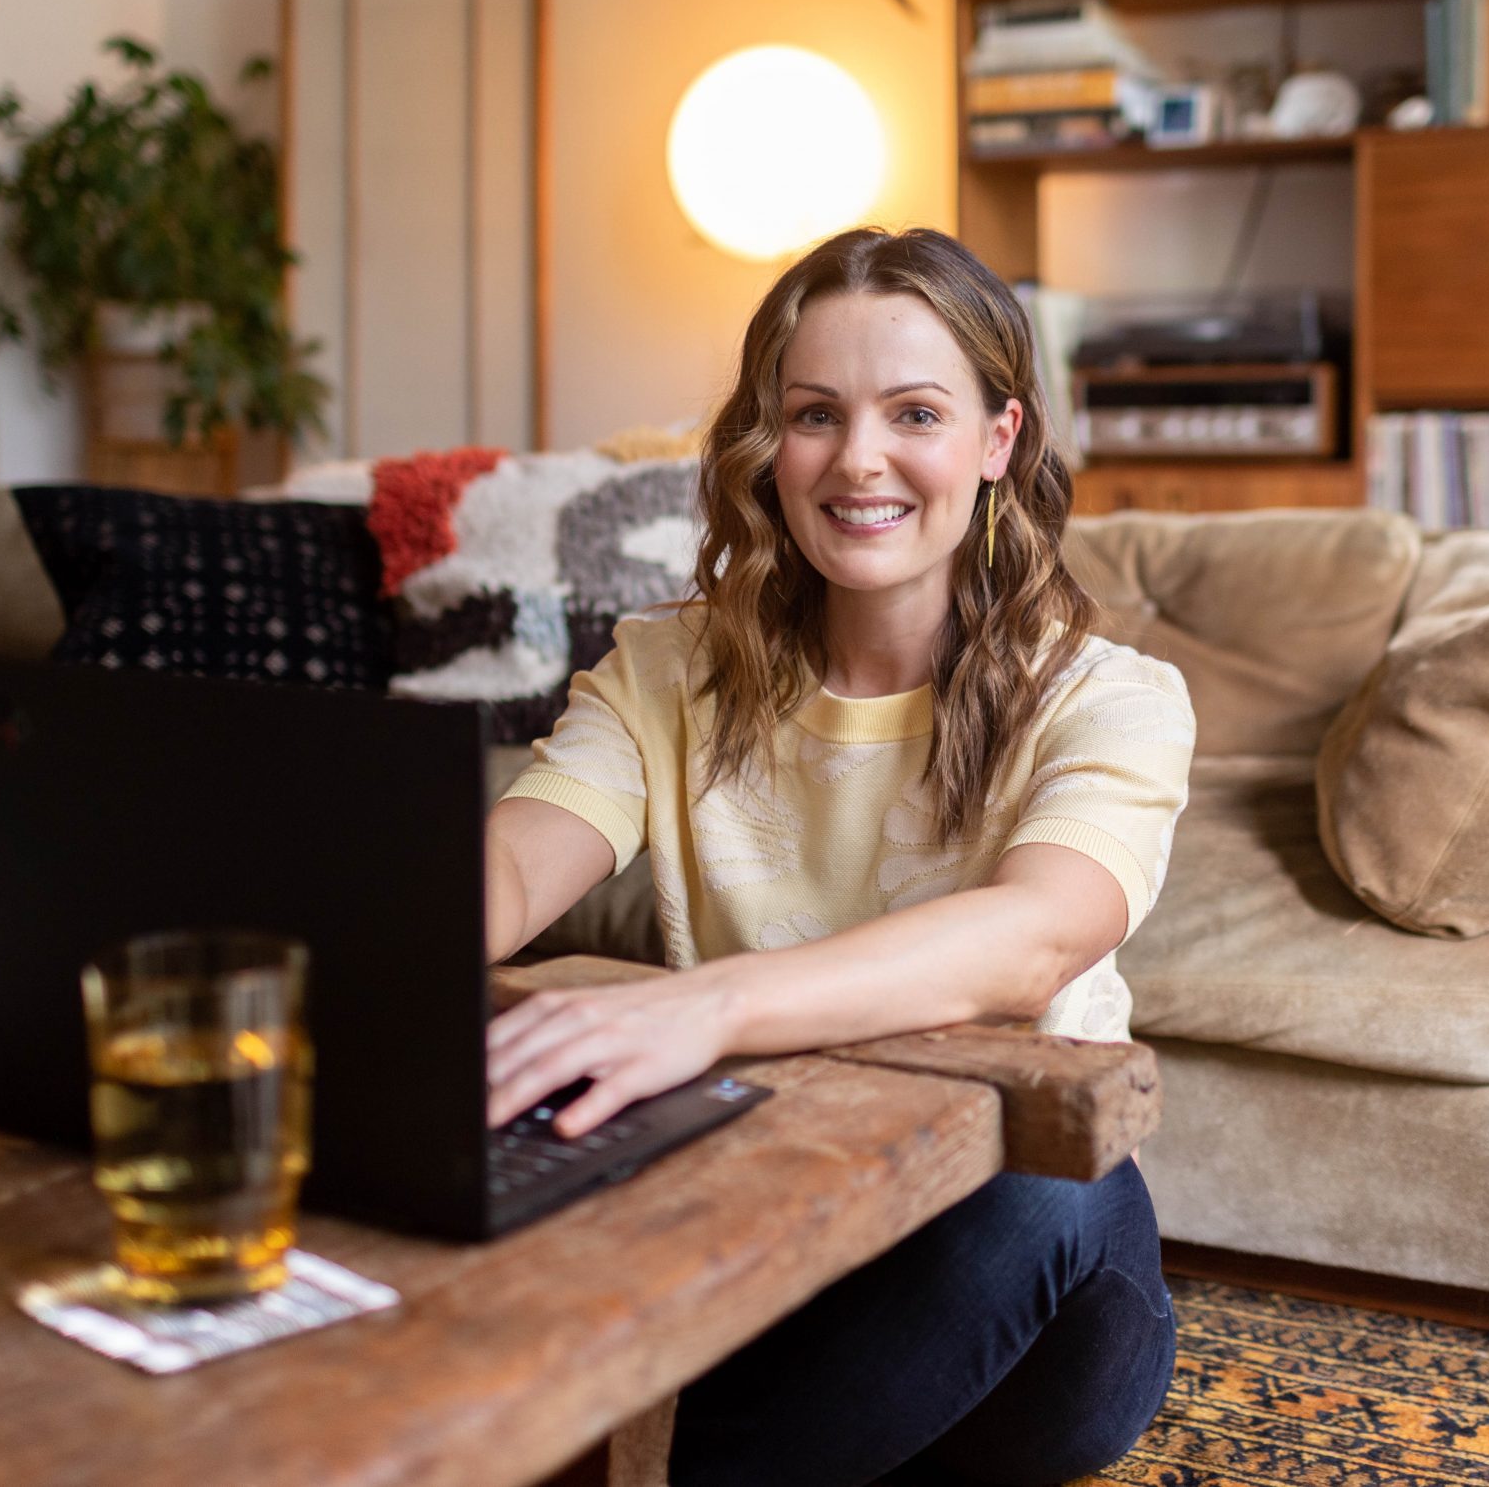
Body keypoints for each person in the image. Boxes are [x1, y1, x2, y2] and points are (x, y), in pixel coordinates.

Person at [480, 226, 1196, 1486]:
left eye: (914, 412)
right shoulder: (663, 670)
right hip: (760, 1238)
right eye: (815, 415)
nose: (857, 459)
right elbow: (518, 866)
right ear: (770, 445)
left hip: (1032, 1287)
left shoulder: (1111, 696)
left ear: (996, 441)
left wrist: (706, 1010)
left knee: (1048, 1184)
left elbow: (1034, 933)